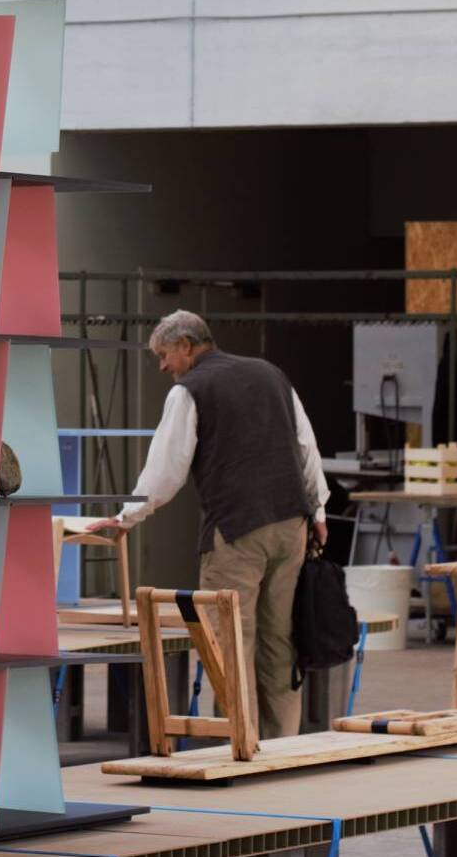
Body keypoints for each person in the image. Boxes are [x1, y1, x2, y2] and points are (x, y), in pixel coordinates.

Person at [86, 310, 328, 740]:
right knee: (279, 641)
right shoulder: (272, 375)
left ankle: (242, 746)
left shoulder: (190, 390)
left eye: (164, 355)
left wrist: (126, 517)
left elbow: (166, 470)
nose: (163, 366)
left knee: (229, 643)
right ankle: (282, 747)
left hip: (237, 531)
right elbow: (306, 446)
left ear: (186, 345)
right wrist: (319, 511)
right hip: (292, 524)